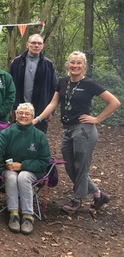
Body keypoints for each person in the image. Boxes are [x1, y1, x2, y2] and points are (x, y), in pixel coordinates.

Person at [34, 51, 120, 214]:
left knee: (81, 166)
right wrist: (37, 119)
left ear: (83, 66)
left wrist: (96, 119)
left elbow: (114, 102)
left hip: (84, 130)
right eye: (72, 62)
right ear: (68, 64)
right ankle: (97, 193)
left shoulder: (89, 83)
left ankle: (77, 199)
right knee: (70, 166)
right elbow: (53, 104)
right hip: (67, 130)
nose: (75, 66)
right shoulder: (63, 82)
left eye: (79, 63)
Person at [0, 103, 50, 235]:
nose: (23, 116)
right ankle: (13, 213)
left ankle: (27, 216)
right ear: (15, 115)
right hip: (8, 168)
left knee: (23, 176)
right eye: (20, 113)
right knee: (12, 176)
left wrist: (22, 165)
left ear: (32, 116)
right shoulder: (7, 133)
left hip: (32, 171)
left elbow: (44, 161)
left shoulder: (40, 136)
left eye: (27, 113)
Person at [9, 34, 57, 133]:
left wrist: (51, 111)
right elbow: (10, 86)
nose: (36, 45)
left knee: (37, 142)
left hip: (40, 111)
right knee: (17, 140)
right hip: (19, 109)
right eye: (33, 43)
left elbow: (53, 89)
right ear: (27, 45)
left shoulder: (48, 64)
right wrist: (11, 107)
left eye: (39, 43)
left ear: (42, 46)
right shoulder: (17, 62)